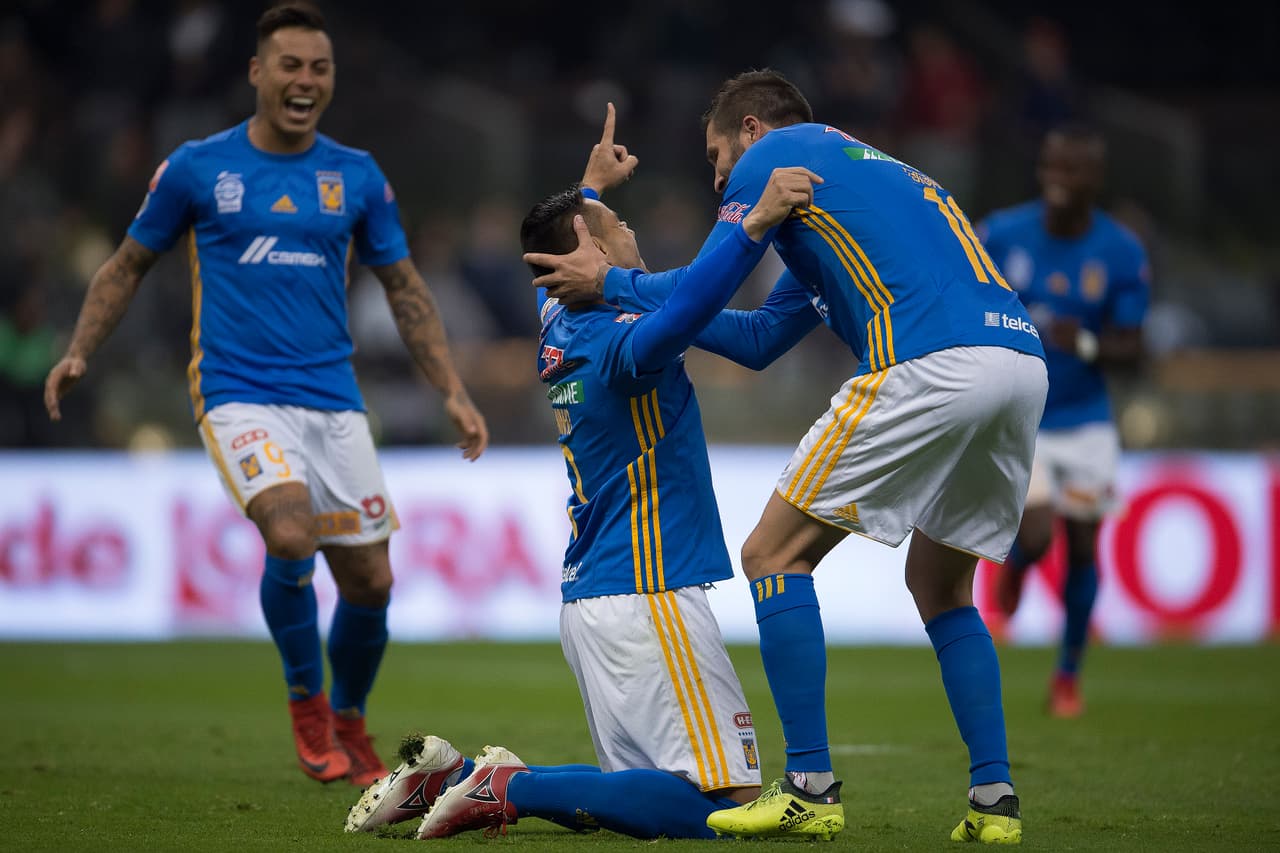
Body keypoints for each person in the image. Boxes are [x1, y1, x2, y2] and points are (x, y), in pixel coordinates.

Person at [525, 69, 1049, 844]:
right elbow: (760, 339)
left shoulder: (787, 156)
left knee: (772, 552)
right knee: (942, 585)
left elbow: (707, 279)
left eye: (716, 155)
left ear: (751, 130)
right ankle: (995, 800)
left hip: (928, 360)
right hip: (1018, 361)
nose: (716, 178)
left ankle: (809, 784)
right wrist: (616, 260)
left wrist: (619, 281)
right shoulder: (862, 194)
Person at [42, 3, 488, 787]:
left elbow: (406, 287)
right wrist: (80, 349)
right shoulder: (194, 169)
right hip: (237, 390)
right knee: (290, 534)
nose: (305, 81)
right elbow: (125, 265)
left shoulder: (356, 175)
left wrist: (451, 388)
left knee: (373, 582)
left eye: (319, 68)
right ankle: (307, 705)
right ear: (257, 72)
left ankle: (349, 719)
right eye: (290, 65)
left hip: (335, 399)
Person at [346, 105, 819, 840]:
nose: (629, 233)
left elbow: (562, 254)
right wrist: (753, 224)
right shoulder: (622, 342)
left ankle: (449, 773)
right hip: (649, 590)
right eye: (613, 227)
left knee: (635, 798)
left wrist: (590, 189)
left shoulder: (556, 320)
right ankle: (509, 783)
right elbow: (694, 300)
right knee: (718, 803)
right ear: (585, 252)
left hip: (596, 600)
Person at [976, 124, 1149, 718]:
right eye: (1051, 166)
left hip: (1087, 421)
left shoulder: (1122, 251)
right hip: (1022, 416)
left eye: (1071, 170)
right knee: (1039, 532)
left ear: (1094, 179)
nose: (1057, 179)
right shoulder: (1001, 233)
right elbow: (968, 304)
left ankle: (1068, 675)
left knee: (1082, 548)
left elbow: (1135, 350)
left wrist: (1092, 345)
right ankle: (1018, 568)